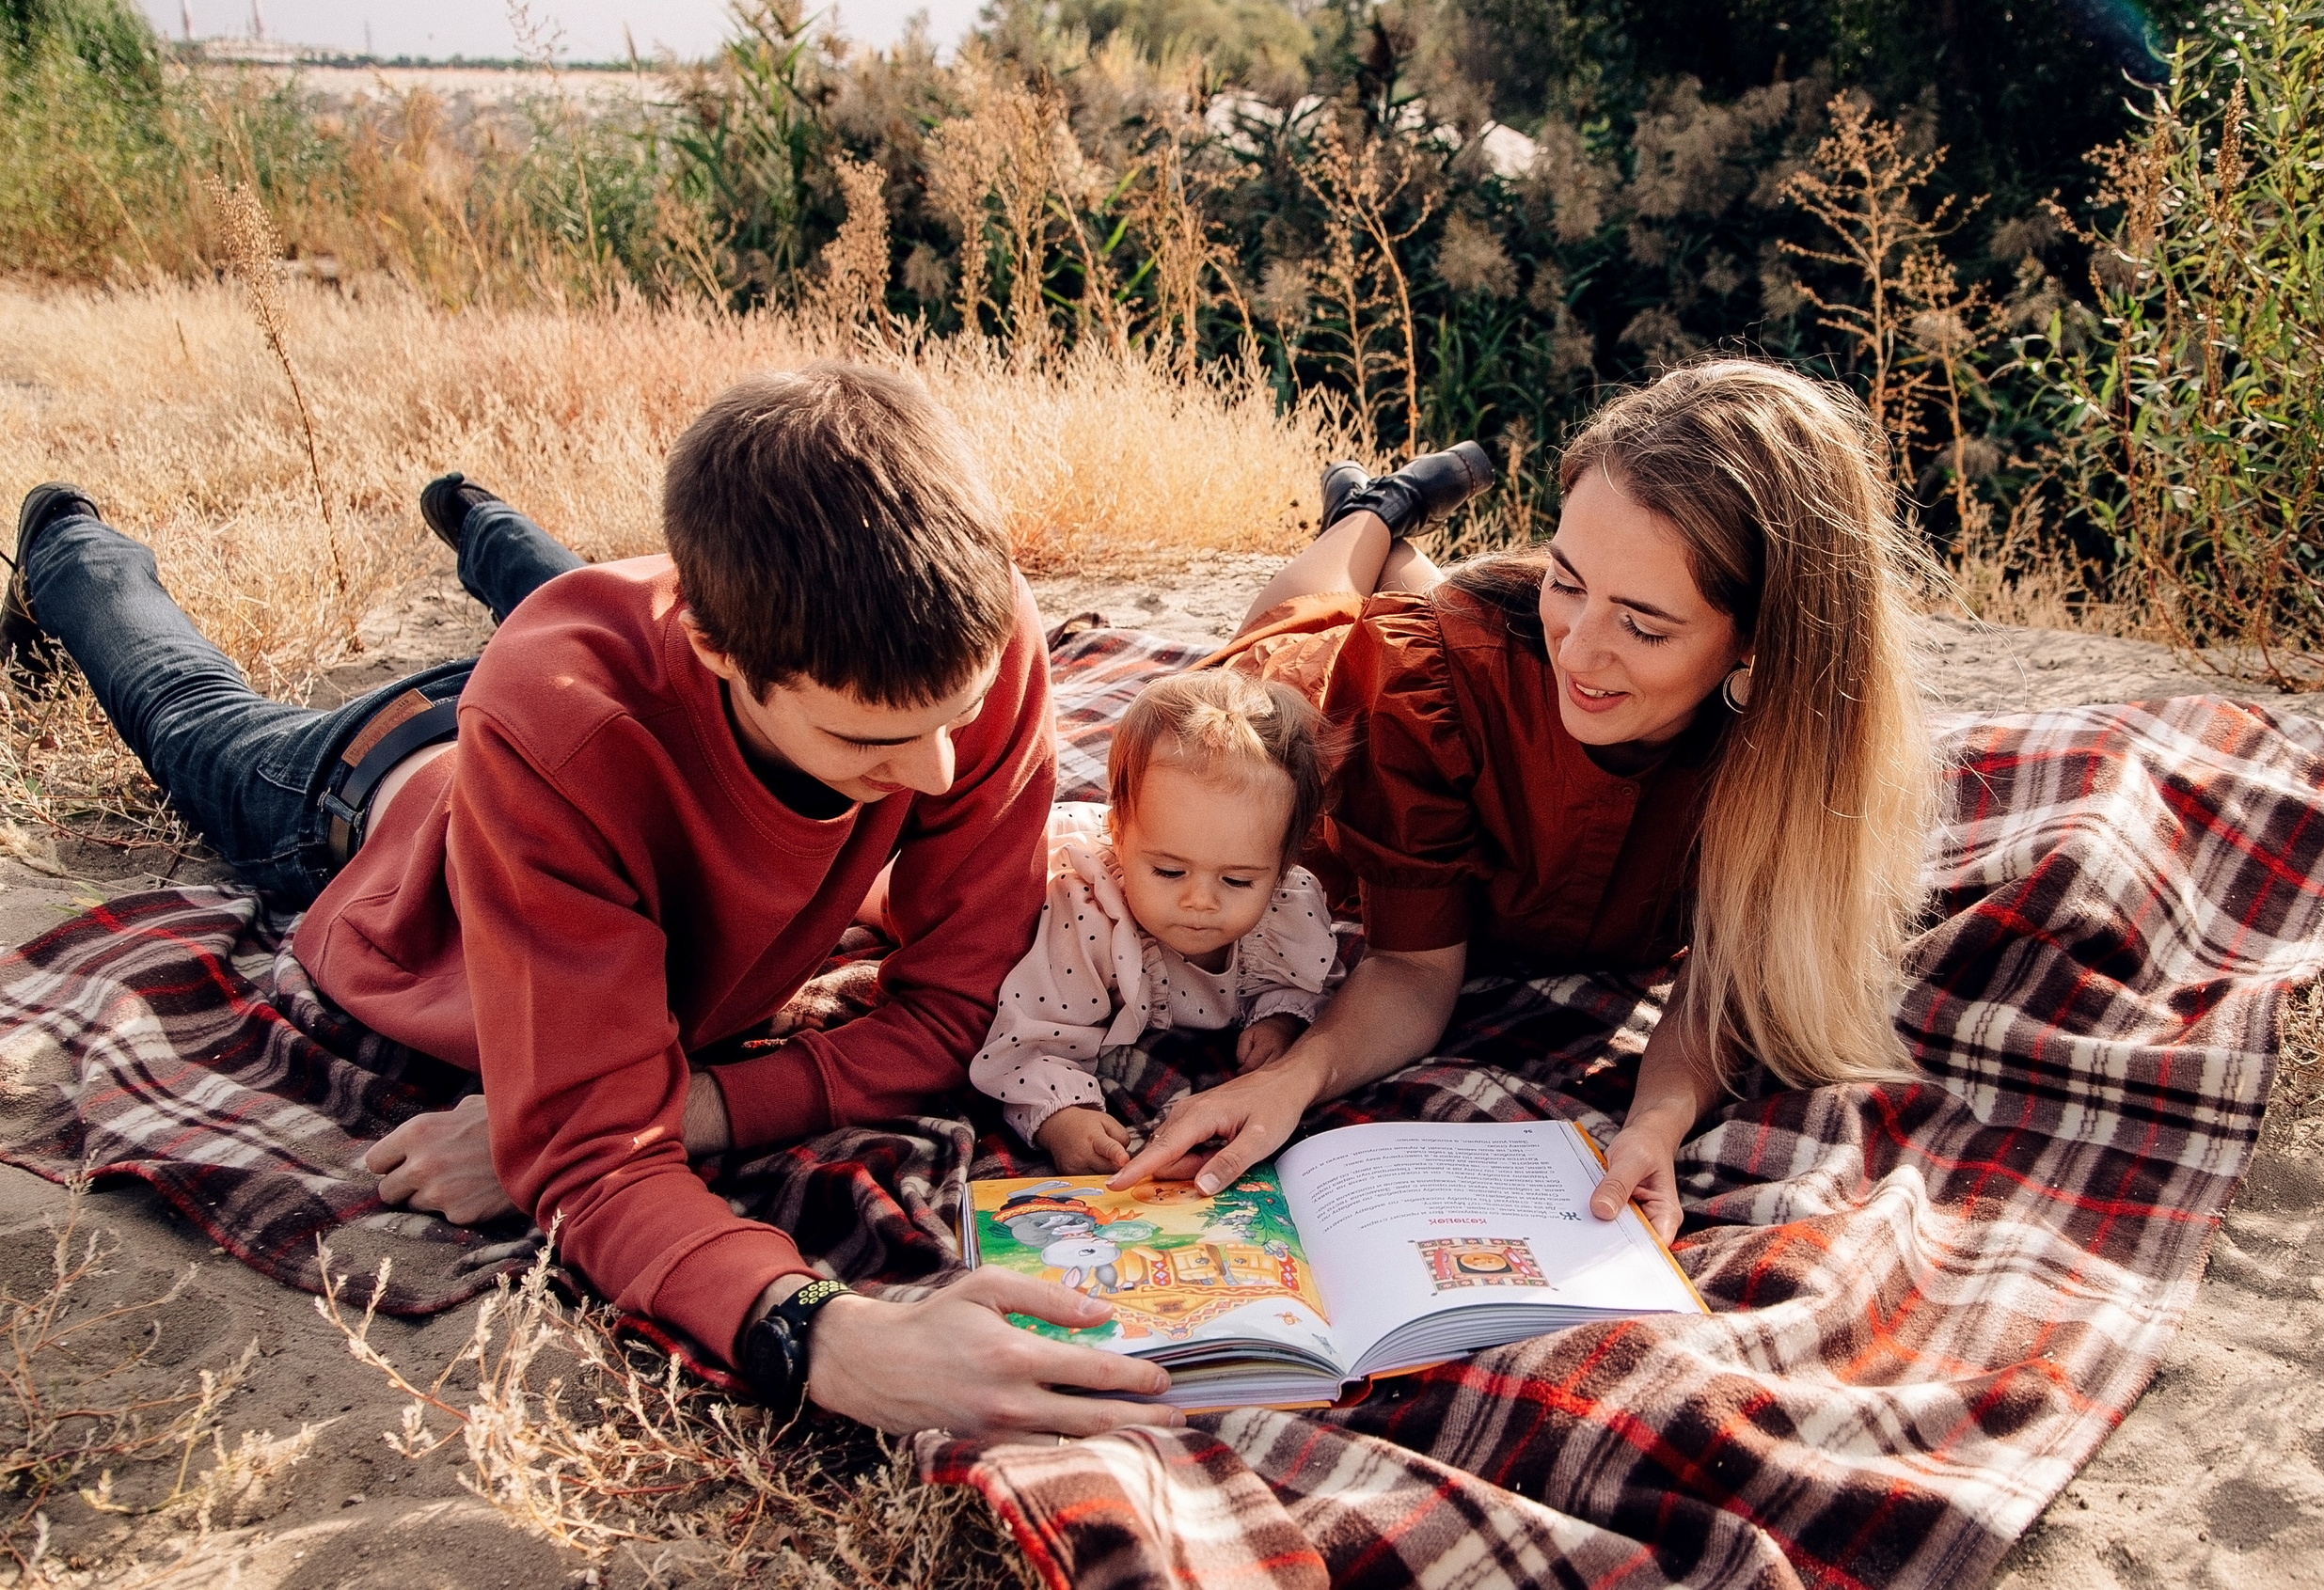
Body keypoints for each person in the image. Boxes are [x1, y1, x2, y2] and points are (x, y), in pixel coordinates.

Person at [3, 363, 1183, 1439]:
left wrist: (692, 1106)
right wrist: (826, 1338)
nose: (936, 773)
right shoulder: (568, 726)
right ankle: (68, 546)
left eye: (957, 718)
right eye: (869, 741)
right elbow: (595, 1157)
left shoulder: (970, 642)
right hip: (367, 796)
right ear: (716, 649)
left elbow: (955, 1010)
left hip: (604, 686)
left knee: (578, 603)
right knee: (187, 707)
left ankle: (479, 522)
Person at [1113, 357, 1938, 1242]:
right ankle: (1371, 512)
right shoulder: (1434, 684)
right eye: (1565, 578)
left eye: (1642, 624)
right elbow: (1412, 967)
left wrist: (1655, 1122)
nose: (1578, 651)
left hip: (1486, 651)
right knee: (1301, 626)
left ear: (1759, 642)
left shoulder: (1793, 753)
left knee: (1475, 623)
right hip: (1326, 714)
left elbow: (1727, 975)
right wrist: (1293, 1077)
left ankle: (1407, 548)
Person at [972, 668, 1346, 1173]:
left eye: (1237, 881)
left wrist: (1280, 1018)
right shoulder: (1087, 918)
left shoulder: (1285, 910)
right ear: (1120, 835)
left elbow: (1304, 982)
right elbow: (1032, 1036)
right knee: (905, 899)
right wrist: (1061, 1116)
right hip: (1020, 866)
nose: (1200, 900)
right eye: (1169, 871)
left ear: (1282, 867)